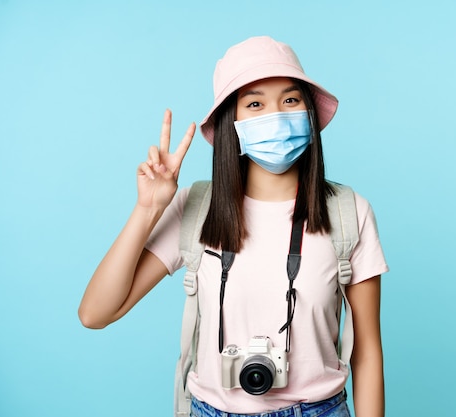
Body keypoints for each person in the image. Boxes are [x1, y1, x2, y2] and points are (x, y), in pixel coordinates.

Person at [79, 36, 388, 417]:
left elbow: (368, 350)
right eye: (255, 104)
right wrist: (148, 209)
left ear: (308, 112)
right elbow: (95, 313)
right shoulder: (197, 209)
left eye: (290, 100)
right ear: (233, 123)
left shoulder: (347, 212)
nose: (276, 115)